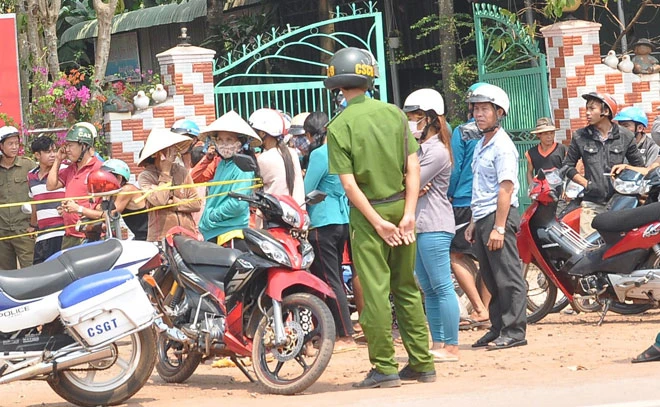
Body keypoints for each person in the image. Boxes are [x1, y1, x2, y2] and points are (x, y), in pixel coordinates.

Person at [325, 47, 435, 388]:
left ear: (338, 86)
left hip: (369, 215)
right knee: (406, 288)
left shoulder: (339, 126)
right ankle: (421, 362)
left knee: (374, 292)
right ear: (369, 77)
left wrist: (377, 222)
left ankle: (385, 367)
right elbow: (413, 167)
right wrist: (408, 214)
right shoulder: (395, 115)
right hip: (402, 208)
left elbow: (349, 185)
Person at [464, 83, 528, 350]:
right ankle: (498, 326)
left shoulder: (503, 146)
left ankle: (515, 331)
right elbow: (482, 188)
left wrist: (499, 228)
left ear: (499, 112)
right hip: (483, 216)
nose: (478, 114)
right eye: (476, 109)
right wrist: (473, 222)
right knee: (490, 276)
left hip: (498, 217)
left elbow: (506, 188)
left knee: (508, 276)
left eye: (484, 109)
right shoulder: (481, 144)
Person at [403, 88, 460, 361]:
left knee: (441, 285)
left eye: (415, 117)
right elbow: (413, 184)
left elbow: (408, 182)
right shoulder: (421, 150)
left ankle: (451, 345)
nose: (411, 123)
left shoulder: (436, 151)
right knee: (429, 287)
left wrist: (411, 183)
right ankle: (437, 343)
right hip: (421, 225)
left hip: (435, 224)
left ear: (430, 119)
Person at [303, 110, 357, 353]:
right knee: (333, 277)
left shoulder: (319, 154)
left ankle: (345, 334)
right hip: (342, 219)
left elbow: (307, 189)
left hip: (322, 221)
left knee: (328, 280)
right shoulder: (343, 152)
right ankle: (332, 330)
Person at [563, 92, 644, 237]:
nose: (587, 113)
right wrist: (586, 184)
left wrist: (626, 169)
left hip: (620, 205)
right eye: (586, 109)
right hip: (591, 204)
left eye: (592, 109)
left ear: (605, 111)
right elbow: (567, 166)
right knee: (589, 250)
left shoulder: (625, 136)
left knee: (619, 251)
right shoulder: (580, 136)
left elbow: (641, 168)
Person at [447, 83, 491, 329]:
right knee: (485, 259)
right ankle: (486, 312)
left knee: (455, 254)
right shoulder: (497, 132)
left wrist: (449, 193)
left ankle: (479, 308)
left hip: (464, 201)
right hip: (489, 202)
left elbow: (455, 168)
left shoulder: (463, 131)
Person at [191, 111, 261, 243]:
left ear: (240, 142)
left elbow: (238, 203)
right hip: (216, 230)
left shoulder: (242, 166)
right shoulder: (222, 163)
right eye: (220, 140)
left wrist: (212, 216)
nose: (224, 144)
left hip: (229, 232)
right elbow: (194, 177)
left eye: (229, 139)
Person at [137, 128, 201, 242]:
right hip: (161, 238)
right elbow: (160, 200)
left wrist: (173, 202)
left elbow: (196, 204)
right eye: (169, 149)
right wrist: (165, 172)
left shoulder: (181, 171)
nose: (174, 152)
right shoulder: (146, 176)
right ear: (157, 153)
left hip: (188, 237)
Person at [47, 122, 103, 249]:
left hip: (89, 237)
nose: (67, 150)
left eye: (70, 145)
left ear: (83, 146)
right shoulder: (71, 169)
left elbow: (104, 209)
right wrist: (58, 160)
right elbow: (51, 185)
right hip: (70, 235)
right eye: (66, 146)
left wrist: (77, 208)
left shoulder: (98, 169)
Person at [249, 108, 305, 205]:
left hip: (274, 213)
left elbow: (253, 189)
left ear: (262, 133)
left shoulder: (264, 159)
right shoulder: (292, 153)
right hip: (296, 212)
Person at [0, 126, 36, 269]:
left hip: (24, 229)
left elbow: (38, 193)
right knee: (6, 275)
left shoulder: (27, 165)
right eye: (10, 144)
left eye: (16, 143)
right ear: (1, 146)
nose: (14, 147)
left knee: (31, 269)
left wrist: (34, 225)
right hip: (2, 232)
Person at [28, 135, 67, 264]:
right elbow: (34, 202)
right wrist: (32, 225)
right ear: (37, 155)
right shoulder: (31, 175)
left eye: (54, 151)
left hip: (61, 233)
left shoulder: (64, 171)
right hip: (42, 235)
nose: (53, 155)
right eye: (47, 152)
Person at [525, 117, 567, 185]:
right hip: (541, 190)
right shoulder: (532, 153)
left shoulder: (562, 149)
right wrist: (532, 187)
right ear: (538, 135)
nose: (549, 137)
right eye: (545, 134)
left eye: (551, 133)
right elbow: (529, 172)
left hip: (559, 190)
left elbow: (574, 166)